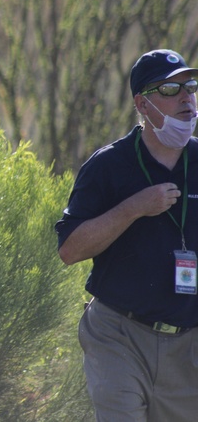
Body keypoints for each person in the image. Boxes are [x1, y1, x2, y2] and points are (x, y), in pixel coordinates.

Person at [55, 49, 198, 421]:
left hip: (189, 346)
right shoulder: (108, 165)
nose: (186, 98)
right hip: (119, 336)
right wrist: (133, 208)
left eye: (191, 86)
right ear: (142, 104)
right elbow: (70, 250)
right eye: (170, 89)